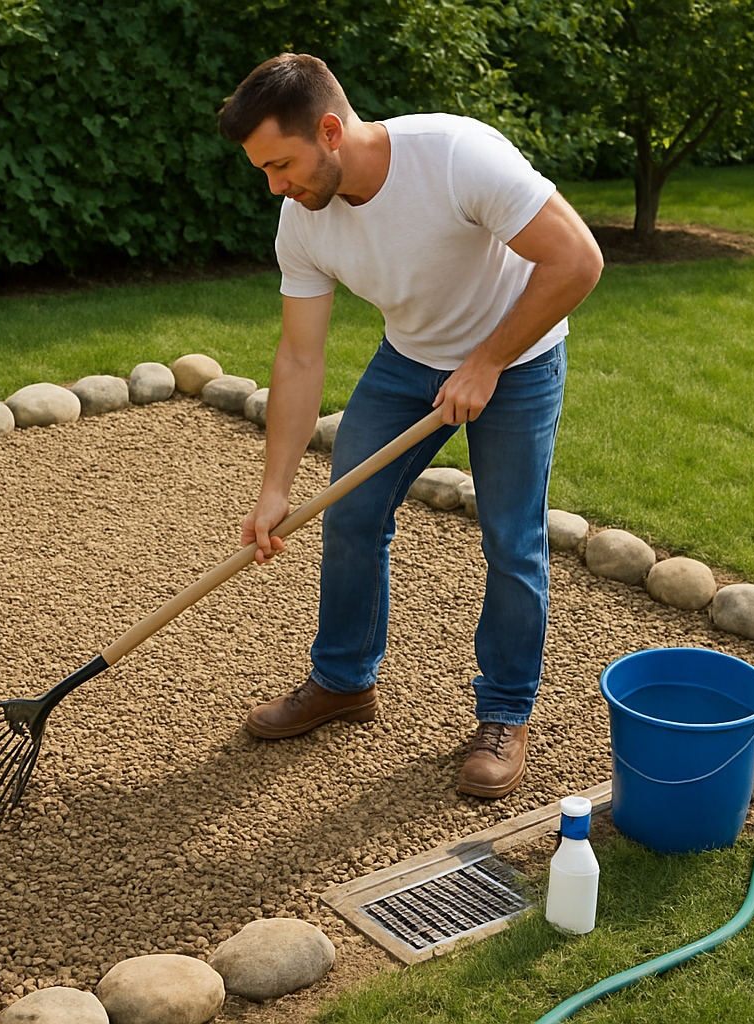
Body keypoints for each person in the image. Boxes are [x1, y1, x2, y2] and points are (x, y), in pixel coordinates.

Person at [216, 53, 603, 798]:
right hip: (410, 362)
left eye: (282, 164)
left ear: (330, 130)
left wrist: (487, 362)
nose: (275, 186)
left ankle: (504, 714)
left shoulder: (456, 157)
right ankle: (343, 681)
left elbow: (577, 261)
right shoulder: (303, 219)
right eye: (263, 170)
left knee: (510, 537)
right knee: (351, 514)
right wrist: (274, 489)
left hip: (516, 361)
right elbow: (299, 358)